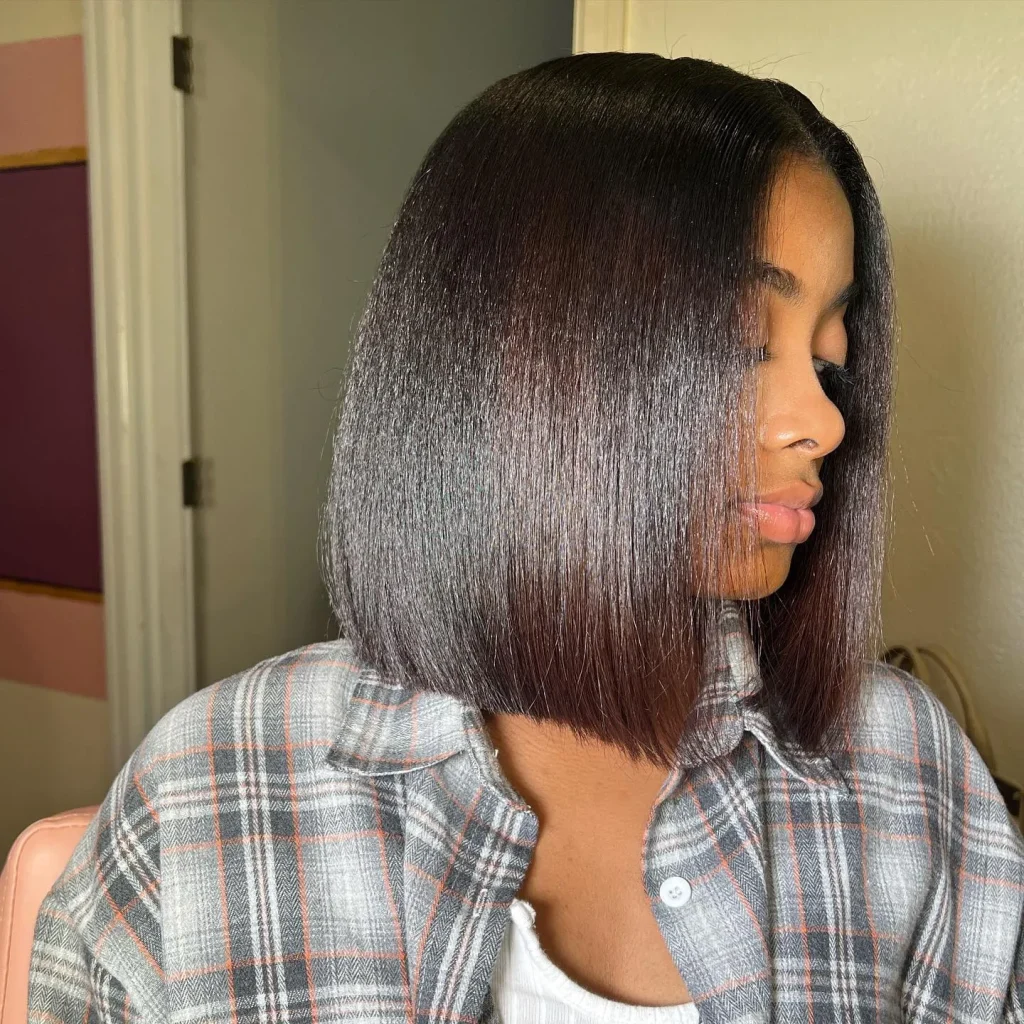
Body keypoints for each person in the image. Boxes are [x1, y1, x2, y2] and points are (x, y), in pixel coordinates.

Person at [29, 53, 1023, 1024]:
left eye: (828, 360)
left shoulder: (906, 768)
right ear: (520, 364)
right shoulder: (212, 791)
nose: (825, 422)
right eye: (742, 343)